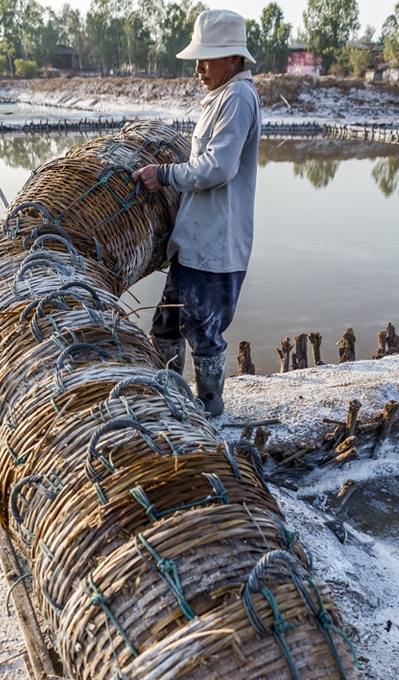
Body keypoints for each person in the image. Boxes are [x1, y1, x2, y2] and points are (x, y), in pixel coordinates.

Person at [132, 9, 261, 416]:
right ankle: (172, 400)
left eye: (208, 59)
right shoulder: (220, 97)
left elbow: (220, 167)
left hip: (216, 246)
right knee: (166, 326)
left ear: (235, 59)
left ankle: (210, 408)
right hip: (195, 242)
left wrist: (165, 174)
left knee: (203, 332)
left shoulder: (238, 97)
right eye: (198, 59)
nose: (199, 68)